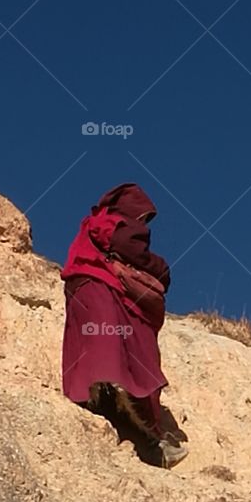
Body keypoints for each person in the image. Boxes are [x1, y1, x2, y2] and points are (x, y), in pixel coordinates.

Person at [61, 183, 188, 467]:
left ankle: (92, 407)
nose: (142, 224)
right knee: (129, 354)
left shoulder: (92, 226)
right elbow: (131, 249)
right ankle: (154, 443)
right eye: (143, 217)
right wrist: (161, 268)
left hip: (80, 289)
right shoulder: (121, 226)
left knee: (91, 351)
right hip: (104, 289)